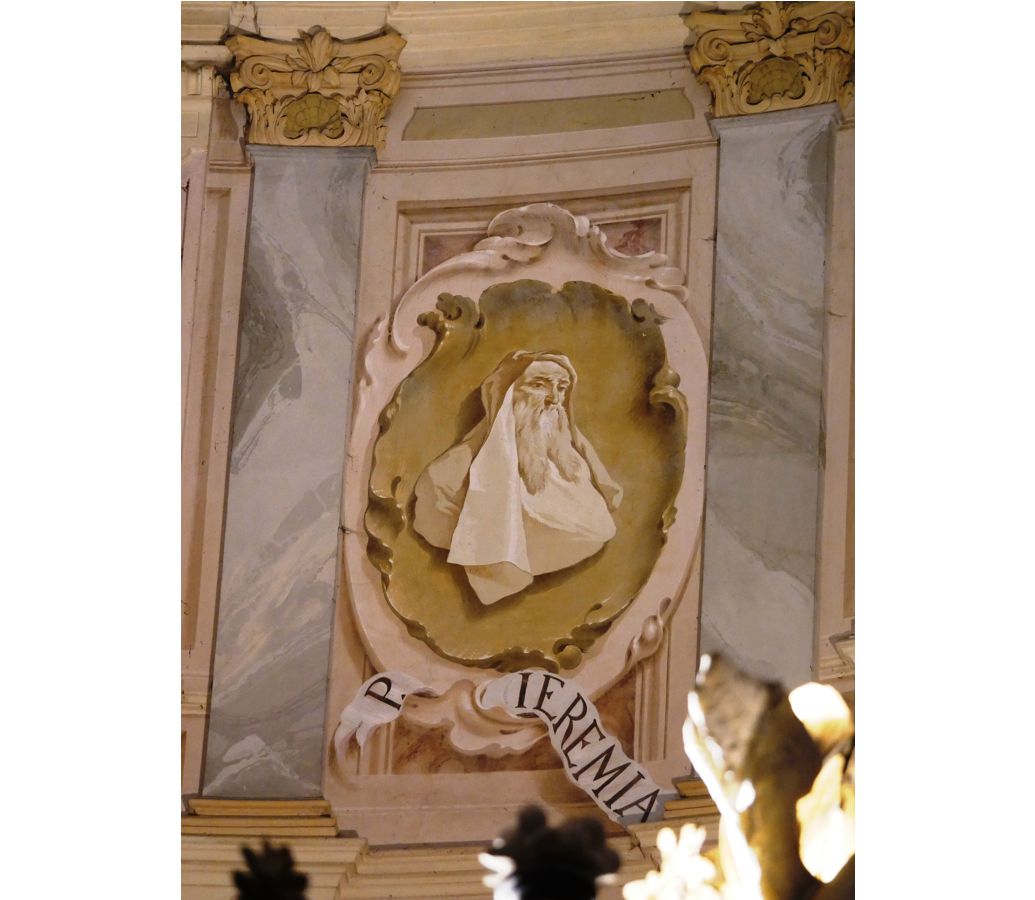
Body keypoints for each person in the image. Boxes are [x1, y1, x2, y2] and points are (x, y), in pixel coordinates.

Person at [413, 351, 622, 605]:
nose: (554, 399)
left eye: (561, 388)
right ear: (508, 393)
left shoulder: (575, 465)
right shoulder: (445, 479)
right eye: (539, 385)